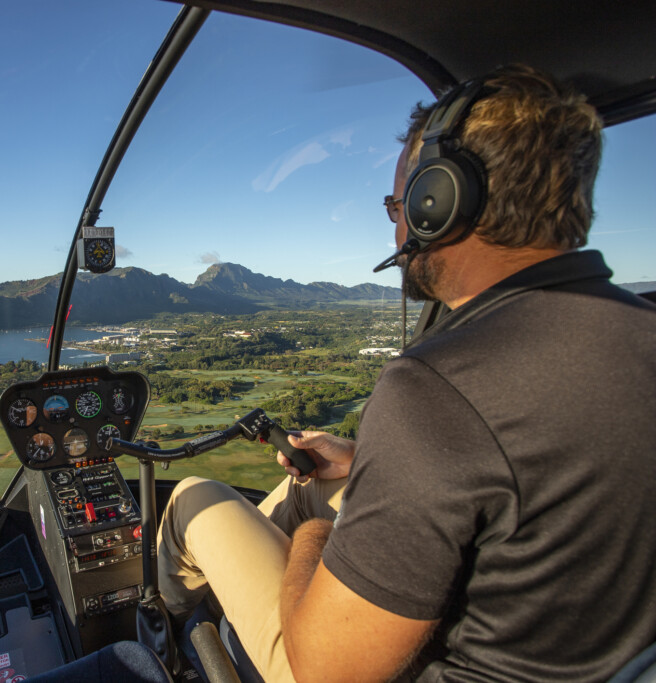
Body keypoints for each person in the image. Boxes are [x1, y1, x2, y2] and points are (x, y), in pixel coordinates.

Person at [157, 64, 656, 682]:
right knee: (311, 481)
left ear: (439, 202)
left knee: (192, 497)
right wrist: (371, 455)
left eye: (400, 204)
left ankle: (170, 635)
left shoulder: (442, 384)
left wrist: (318, 538)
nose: (396, 225)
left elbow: (324, 672)